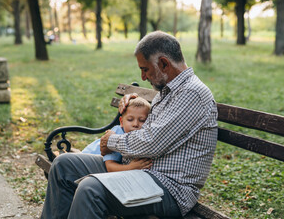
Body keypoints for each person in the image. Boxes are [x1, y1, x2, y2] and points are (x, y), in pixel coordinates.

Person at [41, 31, 218, 219]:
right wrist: (133, 102)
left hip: (168, 187)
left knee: (90, 188)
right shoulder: (168, 91)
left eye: (145, 69)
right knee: (63, 164)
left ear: (164, 63)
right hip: (136, 170)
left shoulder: (191, 94)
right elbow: (151, 130)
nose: (143, 77)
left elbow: (151, 143)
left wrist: (111, 141)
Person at [82, 97, 152, 172]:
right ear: (121, 122)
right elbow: (109, 167)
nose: (135, 124)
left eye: (142, 120)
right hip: (86, 163)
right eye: (130, 120)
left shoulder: (142, 137)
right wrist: (132, 167)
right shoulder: (116, 135)